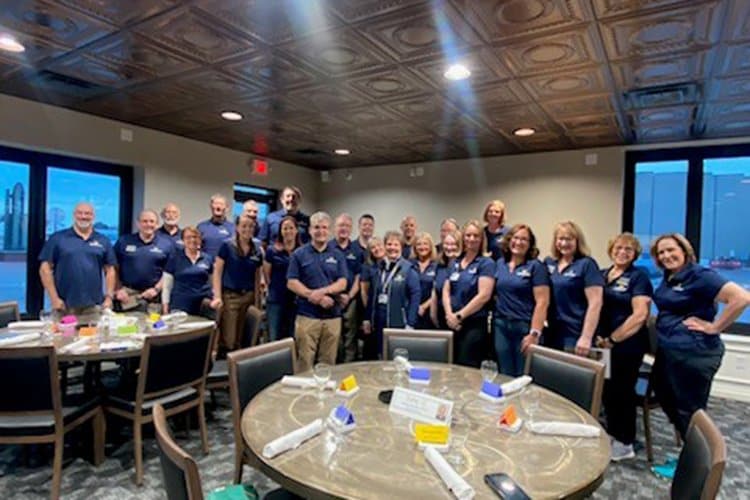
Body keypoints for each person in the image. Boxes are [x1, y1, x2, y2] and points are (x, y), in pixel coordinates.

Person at [650, 233, 749, 444]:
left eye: (671, 250)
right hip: (671, 351)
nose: (666, 255)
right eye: (661, 252)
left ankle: (703, 464)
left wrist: (715, 327)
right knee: (665, 396)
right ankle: (691, 449)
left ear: (684, 251)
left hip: (695, 352)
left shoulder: (700, 275)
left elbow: (741, 298)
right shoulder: (671, 277)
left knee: (691, 410)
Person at [594, 232, 652, 462]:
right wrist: (600, 337)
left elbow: (640, 316)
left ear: (635, 254)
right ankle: (612, 433)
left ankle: (625, 442)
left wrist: (613, 339)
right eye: (618, 248)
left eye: (628, 249)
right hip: (603, 343)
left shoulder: (639, 278)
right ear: (611, 249)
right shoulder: (602, 274)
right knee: (607, 391)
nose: (622, 252)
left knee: (623, 392)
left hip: (627, 345)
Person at [287, 211, 347, 373]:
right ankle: (303, 397)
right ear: (310, 230)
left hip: (332, 317)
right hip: (307, 316)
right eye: (316, 227)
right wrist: (312, 296)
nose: (321, 231)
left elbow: (342, 282)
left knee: (328, 363)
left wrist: (322, 292)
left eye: (324, 228)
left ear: (329, 230)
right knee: (304, 361)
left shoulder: (337, 254)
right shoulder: (299, 254)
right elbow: (292, 282)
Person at [492, 224, 550, 377]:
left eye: (524, 239)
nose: (518, 242)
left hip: (524, 328)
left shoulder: (536, 267)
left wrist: (534, 334)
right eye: (515, 238)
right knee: (504, 374)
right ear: (509, 240)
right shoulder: (500, 264)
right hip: (501, 326)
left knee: (523, 375)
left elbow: (542, 302)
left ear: (530, 244)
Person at [39, 202, 116, 314]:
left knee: (93, 332)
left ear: (93, 216)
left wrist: (109, 297)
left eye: (88, 213)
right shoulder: (58, 238)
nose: (84, 216)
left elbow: (110, 270)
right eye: (80, 213)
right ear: (74, 215)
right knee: (63, 332)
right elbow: (44, 269)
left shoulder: (103, 240)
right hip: (64, 305)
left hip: (94, 305)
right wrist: (54, 298)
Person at [544, 221, 604, 355]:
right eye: (560, 238)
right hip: (552, 333)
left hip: (576, 334)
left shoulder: (587, 264)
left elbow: (596, 303)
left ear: (578, 241)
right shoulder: (549, 263)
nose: (564, 243)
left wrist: (586, 337)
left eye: (569, 239)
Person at [443, 220, 495, 367]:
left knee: (467, 368)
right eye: (468, 235)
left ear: (482, 239)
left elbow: (484, 295)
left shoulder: (486, 263)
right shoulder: (455, 262)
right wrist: (450, 316)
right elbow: (446, 290)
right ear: (463, 238)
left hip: (473, 324)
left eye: (476, 236)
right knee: (450, 366)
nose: (471, 239)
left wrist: (459, 316)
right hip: (451, 323)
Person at [362, 230, 420, 360]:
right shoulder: (379, 268)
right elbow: (372, 295)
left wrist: (410, 323)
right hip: (378, 323)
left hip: (398, 322)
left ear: (401, 247)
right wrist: (367, 318)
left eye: (395, 245)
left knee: (396, 358)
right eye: (389, 244)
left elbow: (415, 297)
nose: (392, 248)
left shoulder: (408, 269)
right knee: (379, 357)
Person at [214, 215, 263, 355]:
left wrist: (258, 303)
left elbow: (257, 278)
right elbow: (217, 272)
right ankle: (225, 364)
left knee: (244, 337)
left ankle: (237, 369)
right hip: (230, 297)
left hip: (248, 296)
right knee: (229, 339)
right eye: (244, 226)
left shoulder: (257, 250)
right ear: (237, 227)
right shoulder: (227, 246)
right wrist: (217, 296)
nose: (247, 229)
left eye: (251, 226)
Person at [113, 209, 173, 312]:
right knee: (127, 327)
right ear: (138, 223)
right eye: (144, 221)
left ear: (157, 224)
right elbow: (113, 268)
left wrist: (156, 289)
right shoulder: (124, 241)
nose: (148, 224)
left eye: (151, 221)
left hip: (154, 296)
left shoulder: (166, 245)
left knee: (153, 326)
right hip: (127, 295)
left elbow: (169, 272)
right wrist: (118, 289)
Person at [162, 226, 222, 318]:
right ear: (183, 240)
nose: (192, 240)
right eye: (188, 237)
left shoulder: (208, 258)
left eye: (195, 237)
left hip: (203, 305)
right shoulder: (174, 258)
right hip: (180, 305)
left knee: (205, 331)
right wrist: (165, 308)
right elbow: (166, 287)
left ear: (200, 239)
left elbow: (213, 282)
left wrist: (216, 298)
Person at [330, 213, 363, 363]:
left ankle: (349, 367)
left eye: (347, 226)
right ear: (335, 228)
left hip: (351, 299)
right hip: (331, 299)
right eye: (340, 225)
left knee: (351, 337)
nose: (344, 229)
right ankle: (335, 368)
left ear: (351, 229)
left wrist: (349, 296)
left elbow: (358, 277)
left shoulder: (357, 250)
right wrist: (337, 296)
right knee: (333, 337)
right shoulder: (328, 247)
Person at [263, 216, 302, 342]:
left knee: (292, 336)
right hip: (276, 299)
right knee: (274, 336)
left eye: (291, 228)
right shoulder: (272, 251)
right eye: (285, 228)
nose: (288, 231)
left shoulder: (302, 251)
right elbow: (267, 274)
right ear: (280, 231)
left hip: (296, 300)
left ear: (296, 230)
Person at [431, 230, 461, 329]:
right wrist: (433, 315)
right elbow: (435, 290)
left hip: (459, 316)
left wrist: (453, 317)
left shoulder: (463, 265)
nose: (449, 247)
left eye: (453, 244)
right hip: (441, 315)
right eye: (446, 244)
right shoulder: (439, 265)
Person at [412, 232, 438, 330]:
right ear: (414, 247)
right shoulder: (409, 265)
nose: (422, 247)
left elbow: (438, 290)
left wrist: (424, 306)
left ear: (431, 246)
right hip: (412, 311)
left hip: (431, 311)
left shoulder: (437, 265)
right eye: (419, 244)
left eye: (425, 244)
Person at [360, 237, 385, 313]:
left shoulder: (393, 264)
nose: (377, 249)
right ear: (370, 251)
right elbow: (364, 292)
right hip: (374, 307)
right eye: (373, 247)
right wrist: (368, 313)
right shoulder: (367, 267)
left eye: (379, 245)